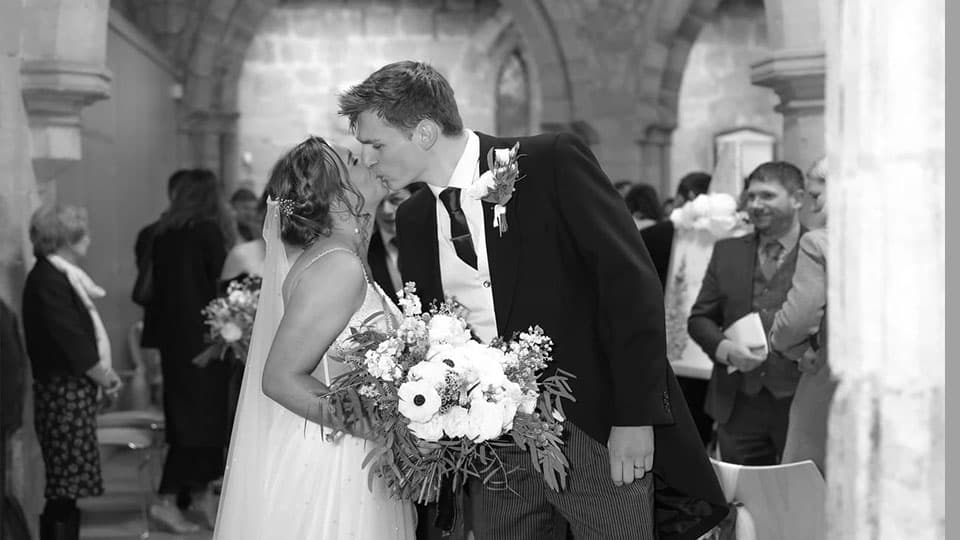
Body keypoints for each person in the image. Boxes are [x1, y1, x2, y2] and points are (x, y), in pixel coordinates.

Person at [340, 60, 726, 540]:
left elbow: (630, 287)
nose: (370, 160)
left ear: (423, 132)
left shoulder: (548, 163)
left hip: (593, 427)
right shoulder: (417, 219)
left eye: (376, 145)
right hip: (491, 446)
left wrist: (636, 416)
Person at [213, 136, 416, 539]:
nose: (373, 161)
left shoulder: (342, 256)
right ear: (335, 194)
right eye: (357, 160)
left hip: (345, 452)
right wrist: (378, 429)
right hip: (333, 464)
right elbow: (279, 378)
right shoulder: (337, 266)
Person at [687, 161, 806, 466]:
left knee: (804, 497)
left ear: (798, 199)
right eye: (751, 196)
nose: (755, 204)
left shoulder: (817, 251)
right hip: (737, 403)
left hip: (800, 400)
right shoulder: (728, 251)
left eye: (767, 196)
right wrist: (725, 349)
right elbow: (700, 318)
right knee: (745, 499)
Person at [22, 205, 123, 540]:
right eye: (84, 232)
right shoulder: (48, 280)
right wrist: (106, 377)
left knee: (68, 487)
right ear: (65, 239)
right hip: (62, 394)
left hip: (69, 392)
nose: (90, 239)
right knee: (64, 486)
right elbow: (71, 340)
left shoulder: (55, 276)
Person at [149, 169, 236, 532]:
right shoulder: (207, 231)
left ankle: (198, 496)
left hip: (175, 341)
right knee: (204, 424)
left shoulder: (163, 232)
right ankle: (168, 498)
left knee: (189, 423)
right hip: (206, 341)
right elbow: (222, 280)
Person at [769, 157, 834, 473]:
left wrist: (792, 348)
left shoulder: (821, 243)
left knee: (810, 496)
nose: (812, 207)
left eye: (817, 195)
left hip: (832, 380)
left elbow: (797, 319)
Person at [368, 184, 421, 305]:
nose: (386, 210)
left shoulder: (437, 239)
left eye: (395, 200)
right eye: (378, 203)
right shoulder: (365, 253)